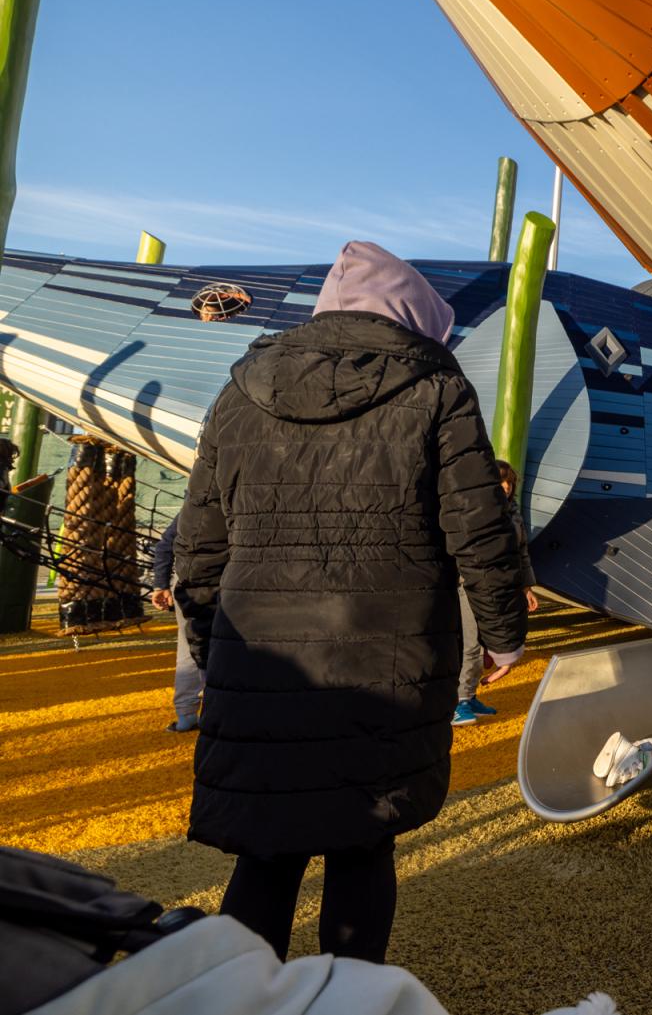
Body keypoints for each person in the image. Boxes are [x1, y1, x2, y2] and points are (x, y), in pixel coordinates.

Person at [174, 241, 529, 965]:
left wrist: (215, 649)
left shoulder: (240, 391)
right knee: (363, 845)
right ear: (413, 320)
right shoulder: (436, 387)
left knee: (265, 854)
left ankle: (239, 1001)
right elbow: (477, 524)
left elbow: (199, 542)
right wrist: (502, 634)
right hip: (387, 657)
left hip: (264, 665)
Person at [453, 460, 541, 725]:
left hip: (500, 587)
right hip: (472, 584)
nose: (505, 486)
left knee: (484, 642)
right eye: (500, 481)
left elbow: (521, 553)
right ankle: (457, 703)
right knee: (469, 644)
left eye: (509, 482)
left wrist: (526, 588)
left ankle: (469, 695)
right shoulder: (475, 512)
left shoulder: (513, 513)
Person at [147, 516, 205, 733]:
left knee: (188, 646)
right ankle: (216, 710)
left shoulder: (193, 506)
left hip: (187, 582)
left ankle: (186, 713)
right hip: (224, 583)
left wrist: (161, 584)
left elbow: (164, 547)